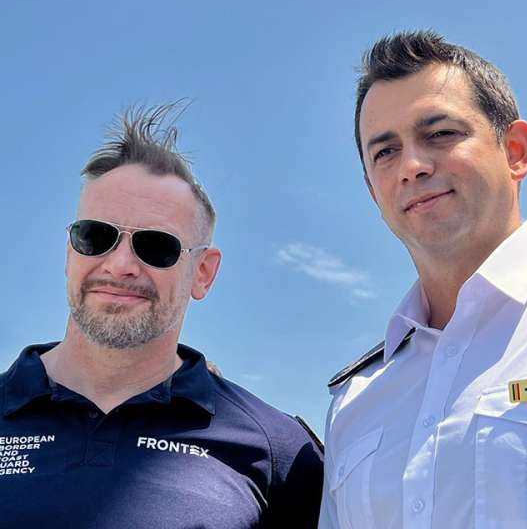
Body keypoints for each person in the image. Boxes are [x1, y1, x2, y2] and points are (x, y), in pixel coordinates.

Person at [318, 31, 527, 528]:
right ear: (372, 190)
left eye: (440, 133)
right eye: (384, 152)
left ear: (515, 150)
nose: (412, 166)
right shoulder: (355, 401)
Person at [0, 104, 323, 528]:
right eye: (95, 236)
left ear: (202, 273)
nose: (119, 265)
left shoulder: (280, 451)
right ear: (69, 253)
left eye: (156, 246)